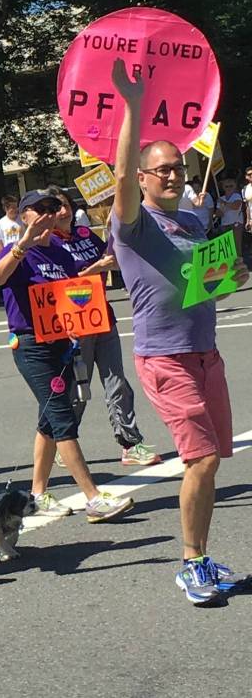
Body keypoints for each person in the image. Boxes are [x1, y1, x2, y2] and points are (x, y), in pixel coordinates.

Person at [109, 60, 249, 605]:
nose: (172, 175)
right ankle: (191, 564)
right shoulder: (132, 224)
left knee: (212, 462)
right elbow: (120, 179)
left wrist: (231, 277)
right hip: (165, 358)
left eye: (178, 168)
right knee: (201, 459)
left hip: (204, 354)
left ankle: (203, 557)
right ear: (144, 178)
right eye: (161, 169)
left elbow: (204, 288)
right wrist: (132, 105)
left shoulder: (191, 221)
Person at [0, 189, 134, 523]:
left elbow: (71, 294)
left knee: (48, 420)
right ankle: (93, 498)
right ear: (23, 215)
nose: (47, 214)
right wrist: (23, 244)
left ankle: (37, 494)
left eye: (52, 208)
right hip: (31, 345)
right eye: (38, 208)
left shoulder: (61, 253)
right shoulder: (16, 251)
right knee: (61, 415)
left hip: (60, 344)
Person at [50, 190, 161, 467]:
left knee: (117, 382)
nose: (64, 211)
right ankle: (64, 441)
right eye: (57, 207)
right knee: (78, 388)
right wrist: (96, 268)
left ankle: (130, 442)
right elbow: (58, 283)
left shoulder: (85, 235)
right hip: (74, 325)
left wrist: (114, 230)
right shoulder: (49, 243)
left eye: (66, 205)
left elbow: (113, 255)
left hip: (102, 317)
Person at [216, 175, 244, 256]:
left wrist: (224, 203)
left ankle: (240, 262)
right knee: (228, 248)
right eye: (226, 186)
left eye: (231, 186)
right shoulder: (221, 198)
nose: (229, 188)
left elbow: (236, 206)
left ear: (235, 186)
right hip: (225, 225)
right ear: (223, 187)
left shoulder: (237, 196)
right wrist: (221, 209)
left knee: (237, 247)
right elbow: (218, 214)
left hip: (236, 224)